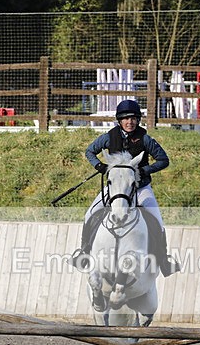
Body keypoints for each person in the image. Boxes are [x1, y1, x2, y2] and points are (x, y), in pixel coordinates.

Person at [71, 99, 180, 277]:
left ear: (138, 120)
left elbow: (163, 160)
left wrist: (145, 170)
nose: (130, 122)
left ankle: (163, 259)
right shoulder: (109, 137)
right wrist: (99, 166)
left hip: (140, 187)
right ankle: (84, 252)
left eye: (133, 119)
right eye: (126, 119)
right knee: (90, 213)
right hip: (116, 188)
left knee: (157, 219)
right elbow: (90, 151)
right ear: (119, 120)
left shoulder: (145, 138)